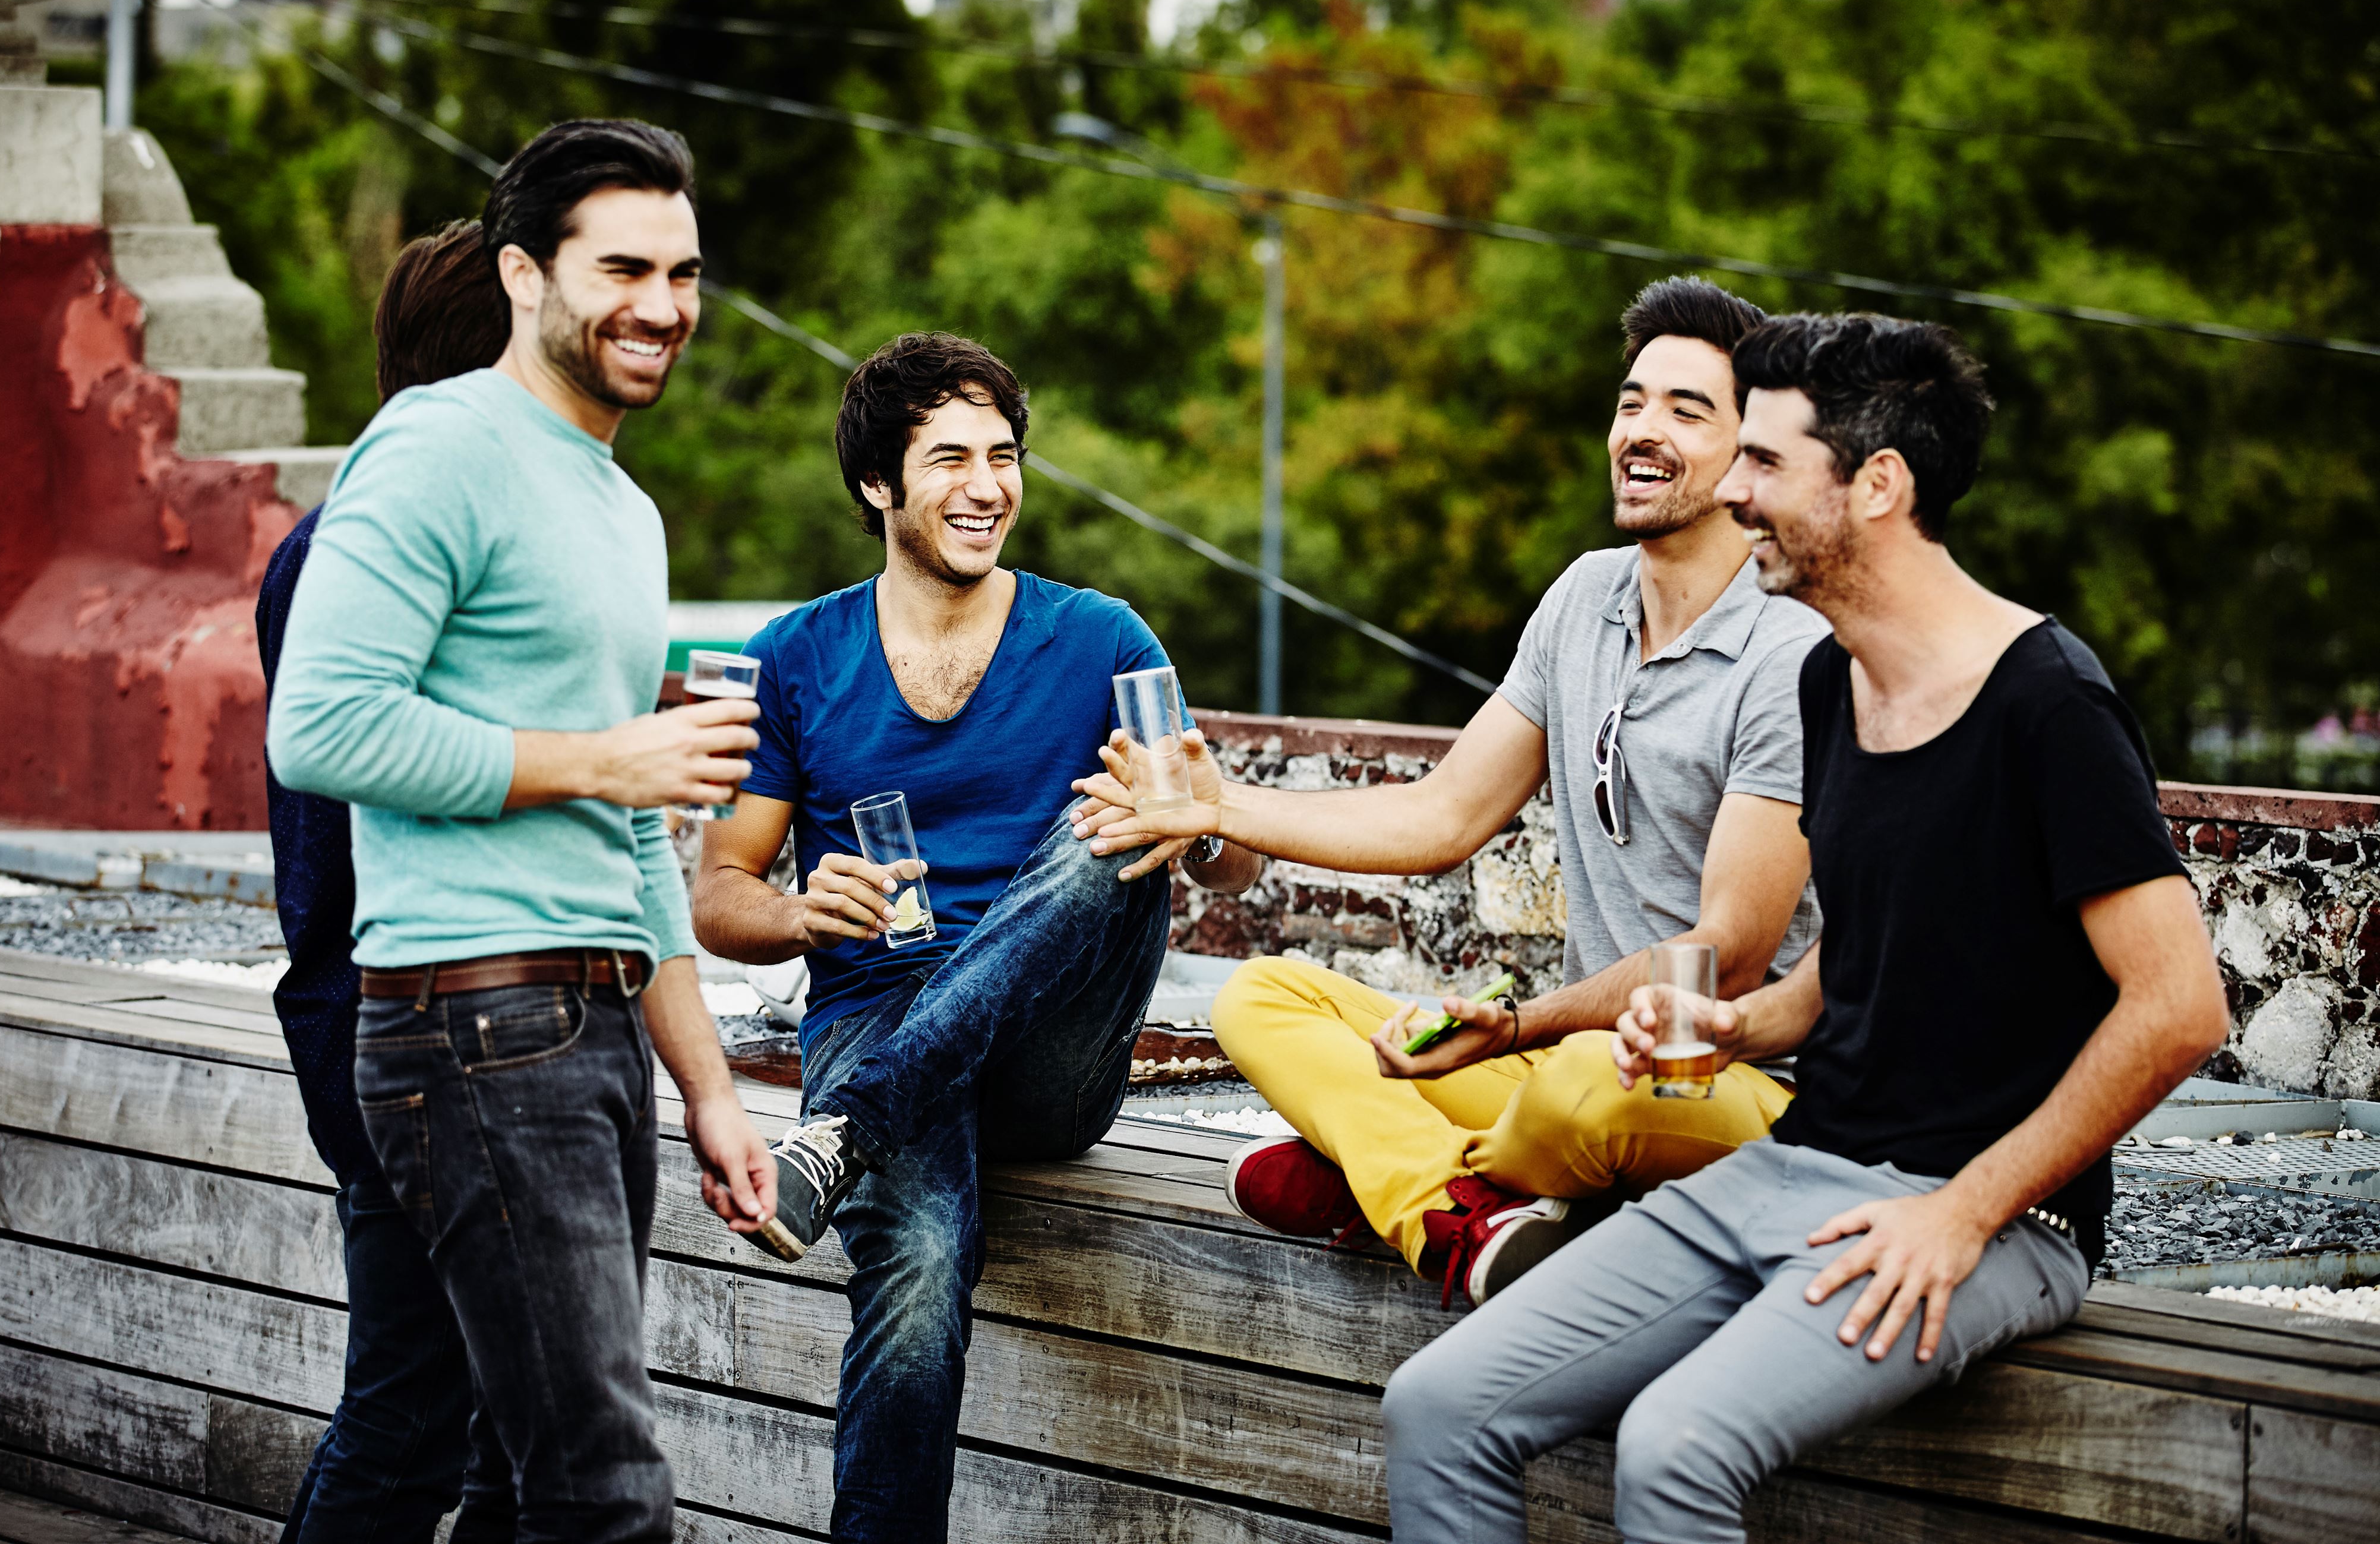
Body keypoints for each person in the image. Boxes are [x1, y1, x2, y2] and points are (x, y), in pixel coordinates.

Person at [1378, 312, 2229, 1544]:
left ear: (1879, 484)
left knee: (1674, 1451)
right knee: (1441, 1403)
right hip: (1797, 1164)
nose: (1734, 491)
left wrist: (1963, 1211)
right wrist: (1732, 1023)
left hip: (1997, 1220)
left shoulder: (2050, 704)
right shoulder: (1832, 681)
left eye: (1766, 463)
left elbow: (2179, 1006)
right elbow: (1860, 961)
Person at [1073, 277, 1829, 1307]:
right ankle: (1457, 1218)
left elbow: (1725, 958)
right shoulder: (1583, 600)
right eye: (1630, 402)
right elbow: (1441, 815)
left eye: (1686, 412)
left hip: (1719, 1082)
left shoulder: (1790, 652)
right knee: (1266, 998)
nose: (1641, 432)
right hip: (1560, 1058)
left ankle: (1381, 1173)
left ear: (1751, 456)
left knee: (1574, 1095)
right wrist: (1222, 806)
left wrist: (1519, 1026)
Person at [267, 119, 778, 1544]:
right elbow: (320, 727)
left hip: (593, 1025)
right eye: (623, 266)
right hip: (476, 1023)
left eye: (682, 273)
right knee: (603, 1493)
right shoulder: (438, 442)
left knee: (508, 1477)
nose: (662, 305)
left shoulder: (625, 509)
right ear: (521, 274)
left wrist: (714, 1089)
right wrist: (604, 755)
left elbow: (633, 845)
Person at [692, 331, 1264, 1541]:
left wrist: (1200, 821)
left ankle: (849, 1130)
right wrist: (802, 909)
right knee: (915, 1284)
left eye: (1004, 455)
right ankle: (876, 1118)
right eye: (948, 456)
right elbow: (719, 894)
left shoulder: (1105, 637)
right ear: (876, 484)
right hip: (871, 1005)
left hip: (1047, 1057)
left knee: (1111, 824)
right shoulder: (794, 659)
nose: (988, 485)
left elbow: (1218, 850)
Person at [258, 219, 508, 1542]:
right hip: (397, 1034)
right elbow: (350, 836)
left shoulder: (365, 531)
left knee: (483, 1434)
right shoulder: (363, 548)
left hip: (418, 1033)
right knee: (411, 1422)